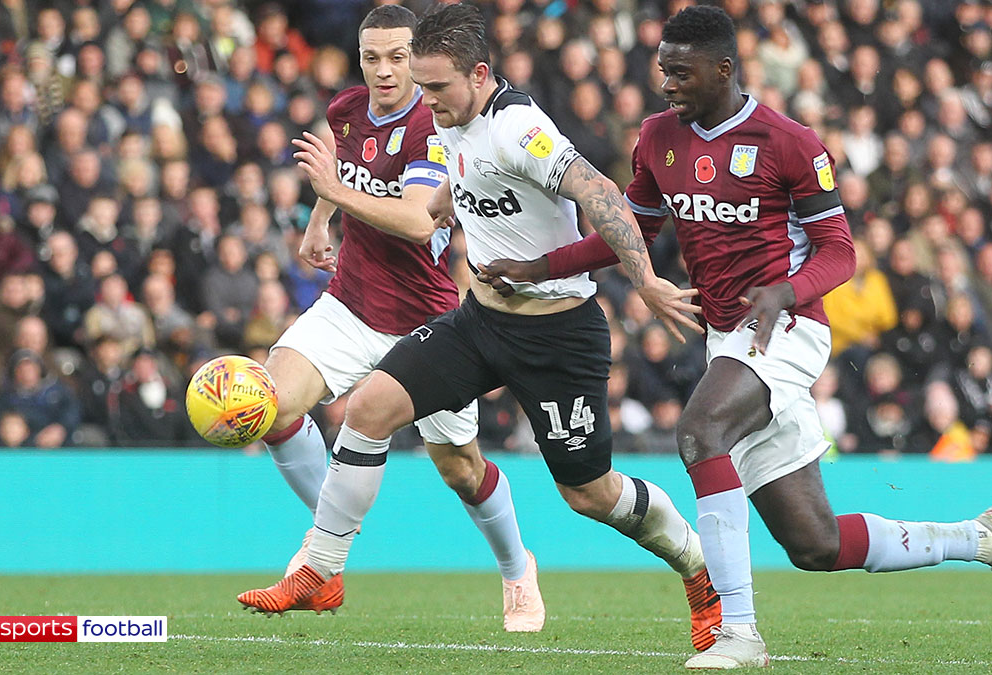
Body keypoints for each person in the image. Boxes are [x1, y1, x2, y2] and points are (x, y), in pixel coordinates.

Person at [479, 7, 992, 669]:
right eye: (662, 68)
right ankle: (984, 538)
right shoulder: (659, 137)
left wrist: (789, 290)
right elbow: (631, 232)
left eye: (680, 71)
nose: (665, 82)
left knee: (698, 431)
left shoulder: (788, 142)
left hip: (789, 328)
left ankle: (739, 634)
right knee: (815, 543)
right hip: (729, 341)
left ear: (724, 69)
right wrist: (539, 267)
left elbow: (841, 253)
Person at [240, 2, 716, 652]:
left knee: (590, 493)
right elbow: (447, 194)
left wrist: (647, 279)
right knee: (372, 406)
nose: (425, 99)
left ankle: (695, 566)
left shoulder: (519, 128)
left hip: (558, 334)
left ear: (480, 73)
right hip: (480, 321)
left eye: (436, 86)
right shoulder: (452, 121)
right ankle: (320, 569)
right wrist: (427, 209)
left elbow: (599, 191)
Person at [235, 5, 544, 633]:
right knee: (267, 407)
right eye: (371, 56)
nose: (384, 70)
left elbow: (414, 220)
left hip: (425, 321)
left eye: (398, 56)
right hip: (349, 303)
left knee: (460, 467)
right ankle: (325, 559)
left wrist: (332, 195)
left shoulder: (436, 126)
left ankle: (517, 570)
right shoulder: (346, 110)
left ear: (418, 55)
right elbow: (344, 171)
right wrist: (321, 222)